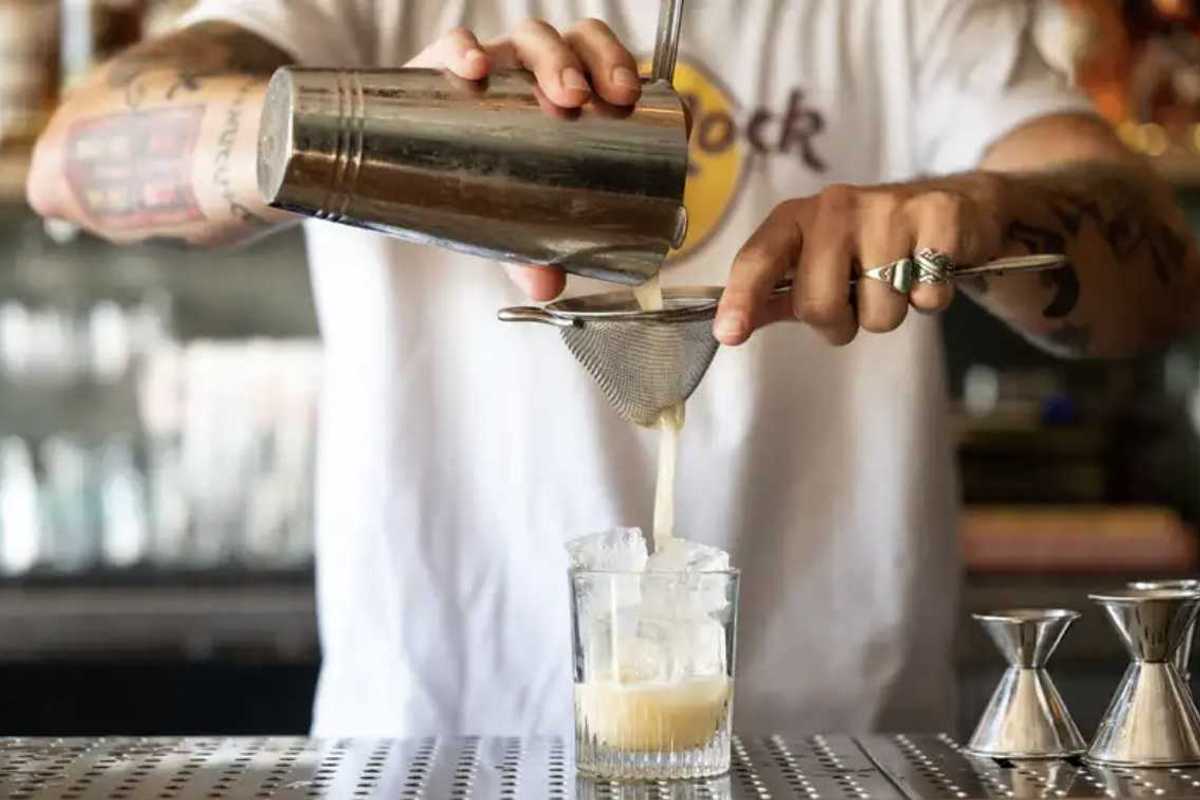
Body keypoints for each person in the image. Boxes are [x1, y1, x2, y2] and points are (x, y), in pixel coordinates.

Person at [26, 1, 1200, 737]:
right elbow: (75, 160)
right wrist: (375, 127)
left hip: (847, 755)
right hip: (439, 747)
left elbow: (1159, 269)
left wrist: (982, 212)